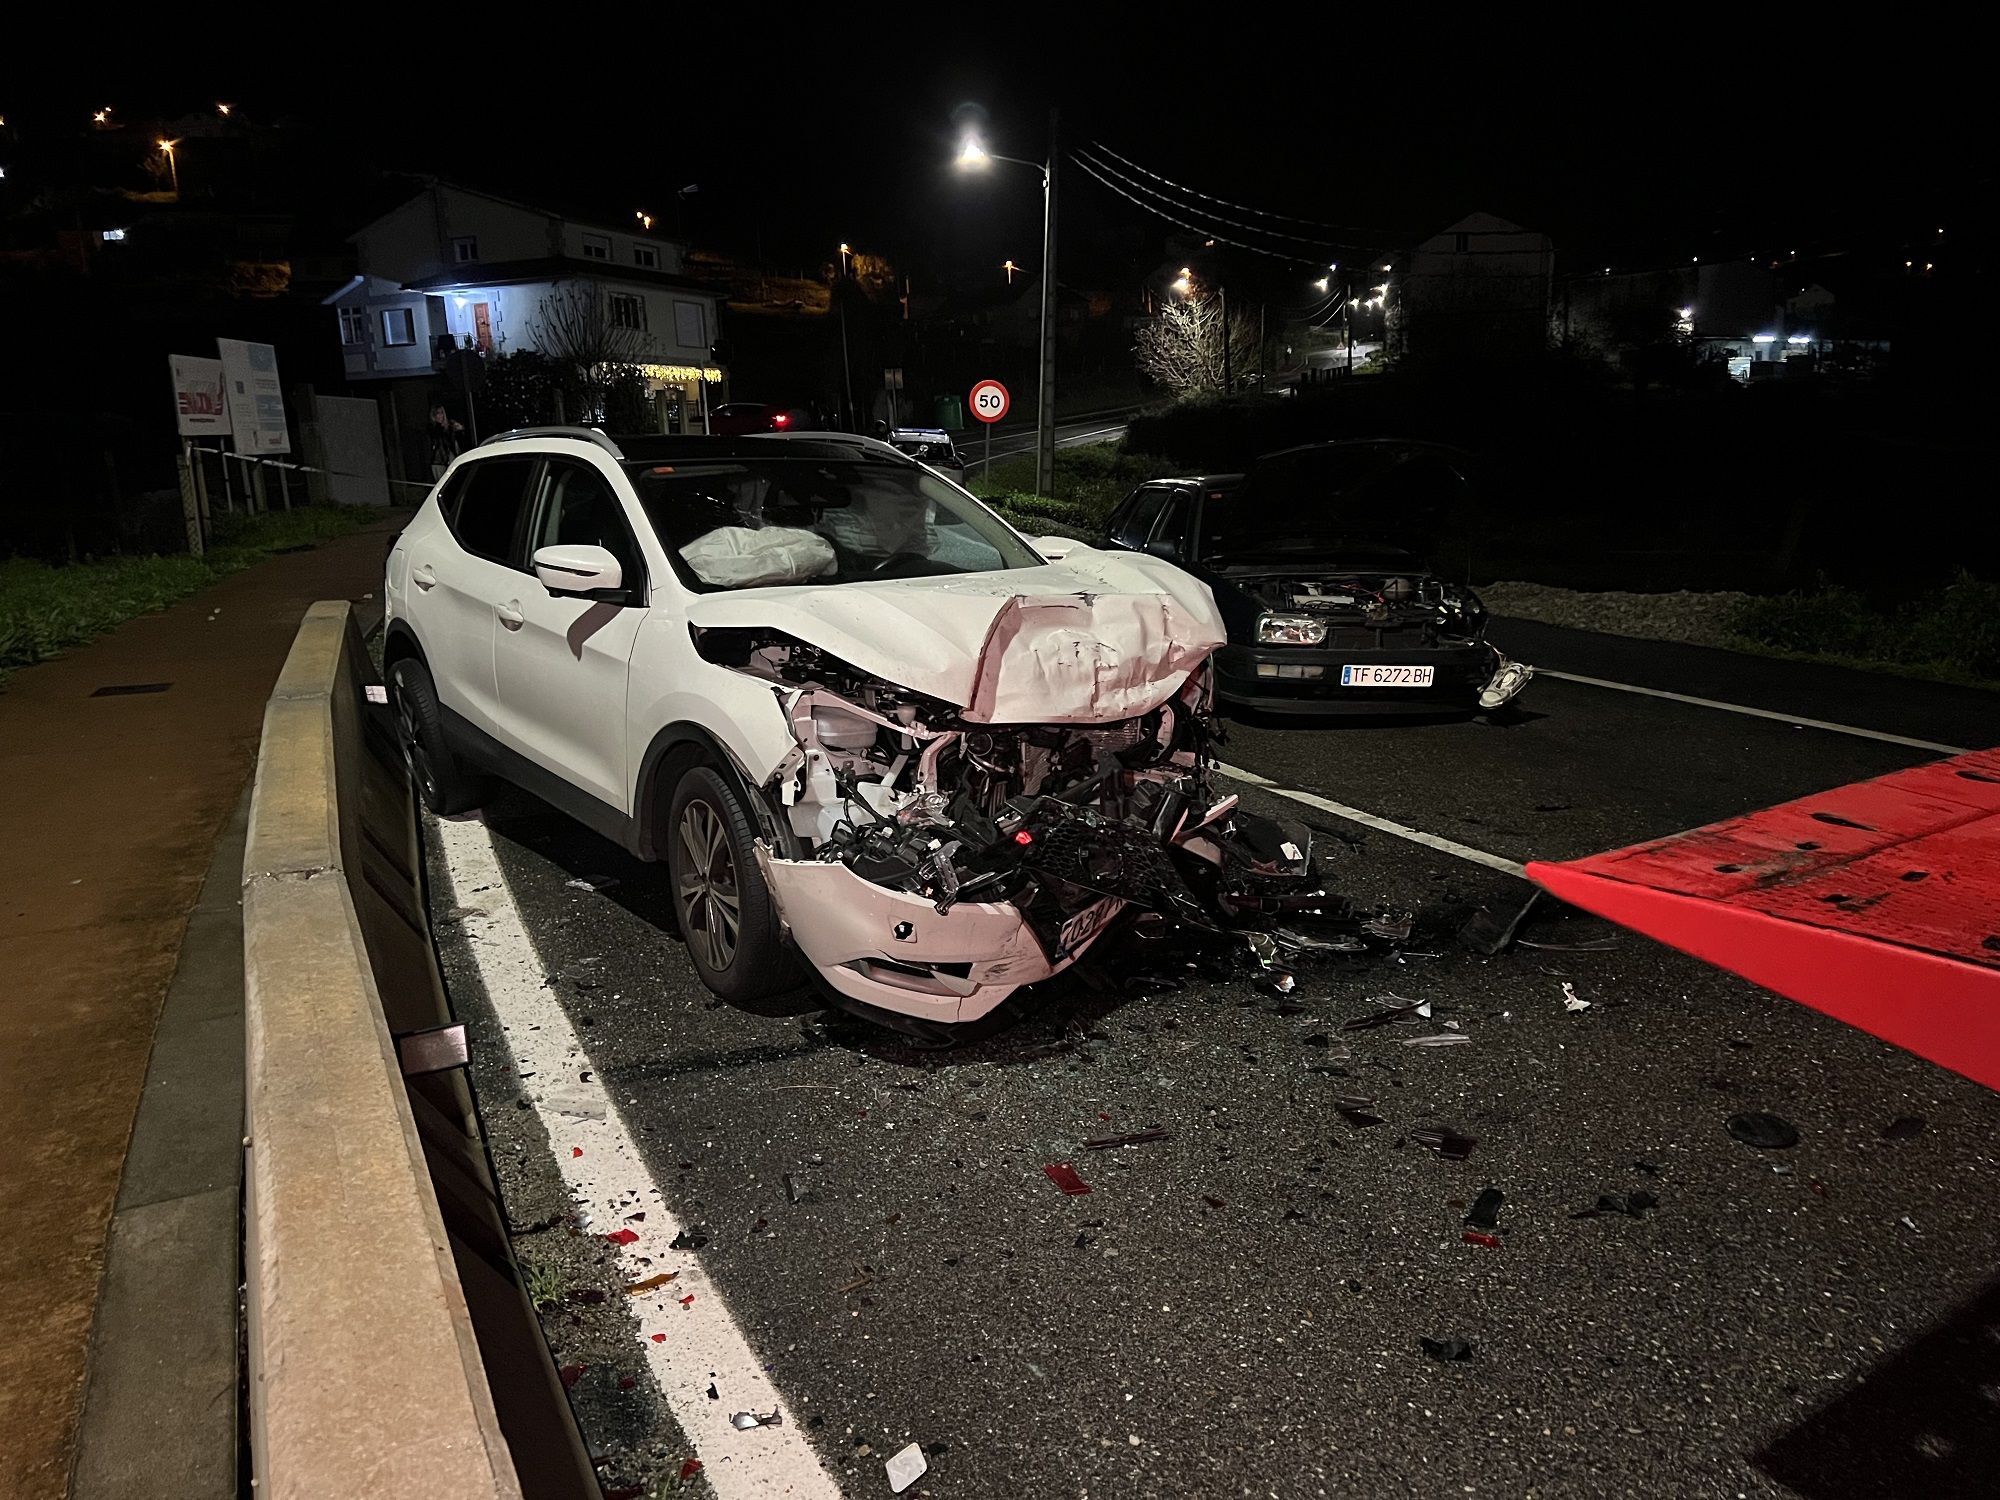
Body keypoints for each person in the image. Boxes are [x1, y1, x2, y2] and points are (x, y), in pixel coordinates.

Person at [427, 405, 465, 479]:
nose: (441, 416)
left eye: (442, 413)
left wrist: (458, 428)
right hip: (438, 462)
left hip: (450, 458)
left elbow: (458, 433)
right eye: (438, 413)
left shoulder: (449, 426)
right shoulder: (432, 428)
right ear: (434, 416)